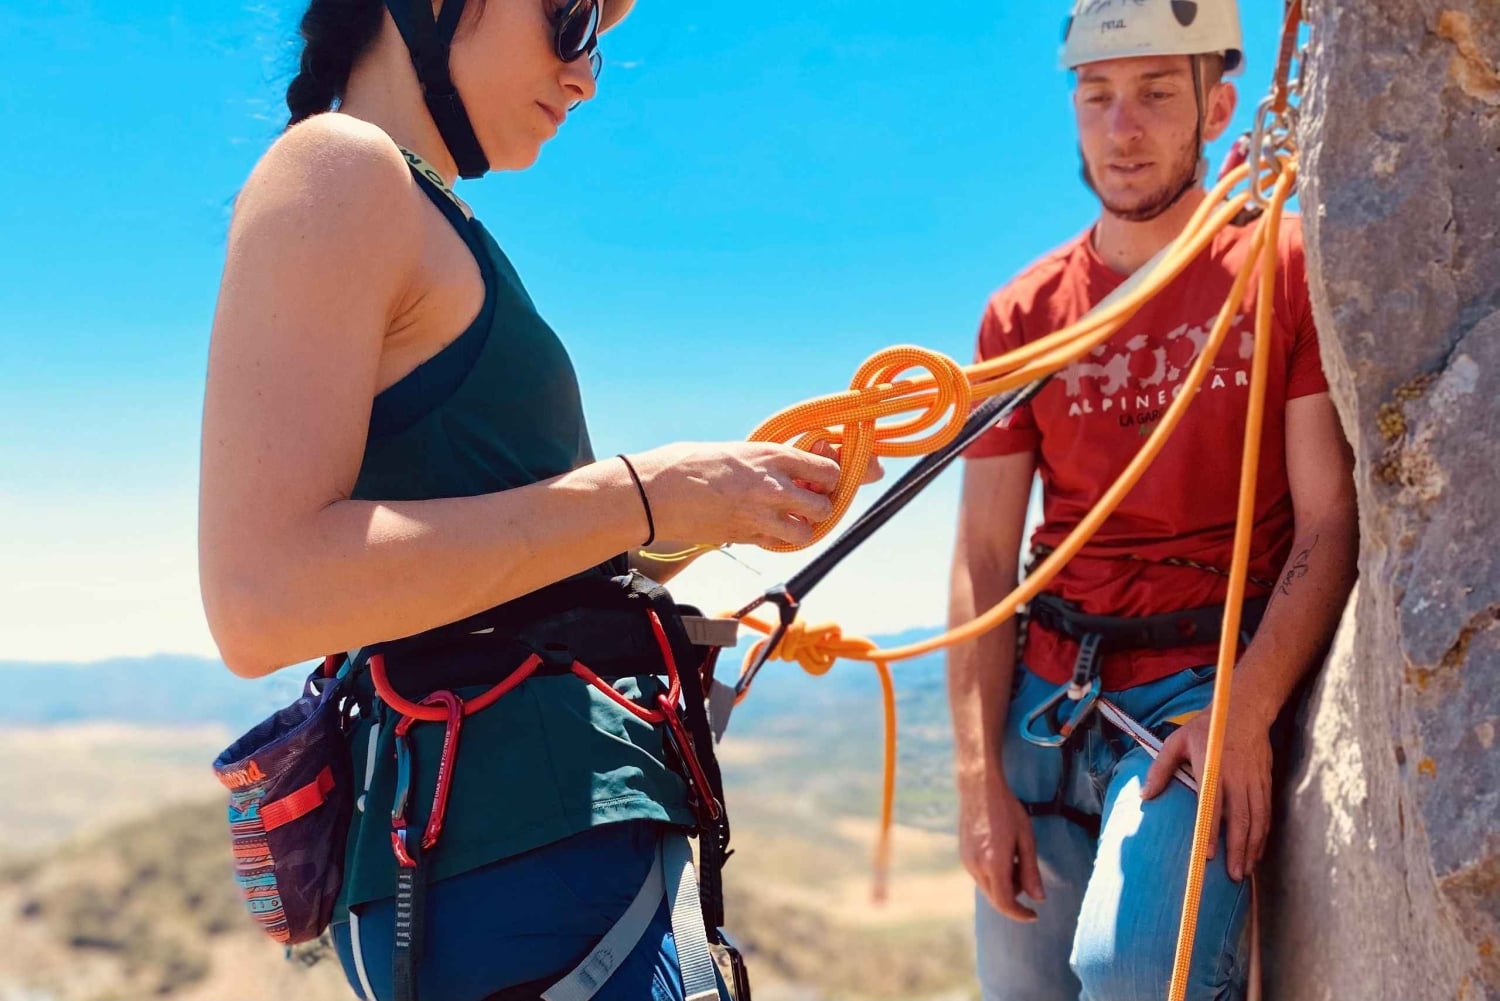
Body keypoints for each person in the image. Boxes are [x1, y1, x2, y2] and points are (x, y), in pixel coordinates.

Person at [199, 2, 874, 998]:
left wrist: (691, 515)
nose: (588, 72)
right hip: (508, 879)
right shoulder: (340, 168)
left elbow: (492, 579)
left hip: (532, 876)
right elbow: (262, 597)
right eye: (569, 20)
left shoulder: (425, 212)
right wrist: (647, 492)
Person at [945, 2, 1358, 999]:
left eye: (1156, 94)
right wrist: (975, 776)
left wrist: (1245, 707)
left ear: (1217, 108)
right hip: (1048, 698)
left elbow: (1329, 523)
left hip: (1194, 690)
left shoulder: (1280, 266)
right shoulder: (1025, 315)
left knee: (1134, 972)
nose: (1121, 127)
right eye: (1098, 98)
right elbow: (984, 557)